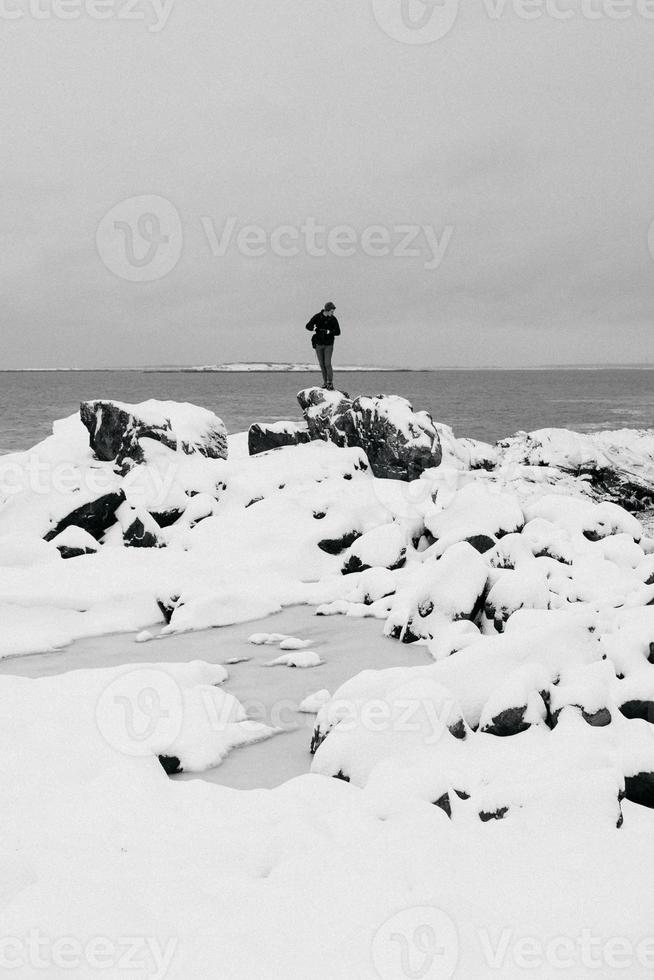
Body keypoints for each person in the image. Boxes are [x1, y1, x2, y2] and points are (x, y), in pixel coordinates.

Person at [305, 301, 341, 390]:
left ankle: (330, 383)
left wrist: (329, 332)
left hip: (329, 344)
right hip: (318, 344)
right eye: (332, 311)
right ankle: (325, 383)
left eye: (333, 312)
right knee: (322, 364)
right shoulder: (317, 316)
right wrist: (314, 328)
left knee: (327, 363)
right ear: (327, 310)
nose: (333, 313)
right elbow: (308, 326)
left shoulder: (333, 319)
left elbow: (338, 332)